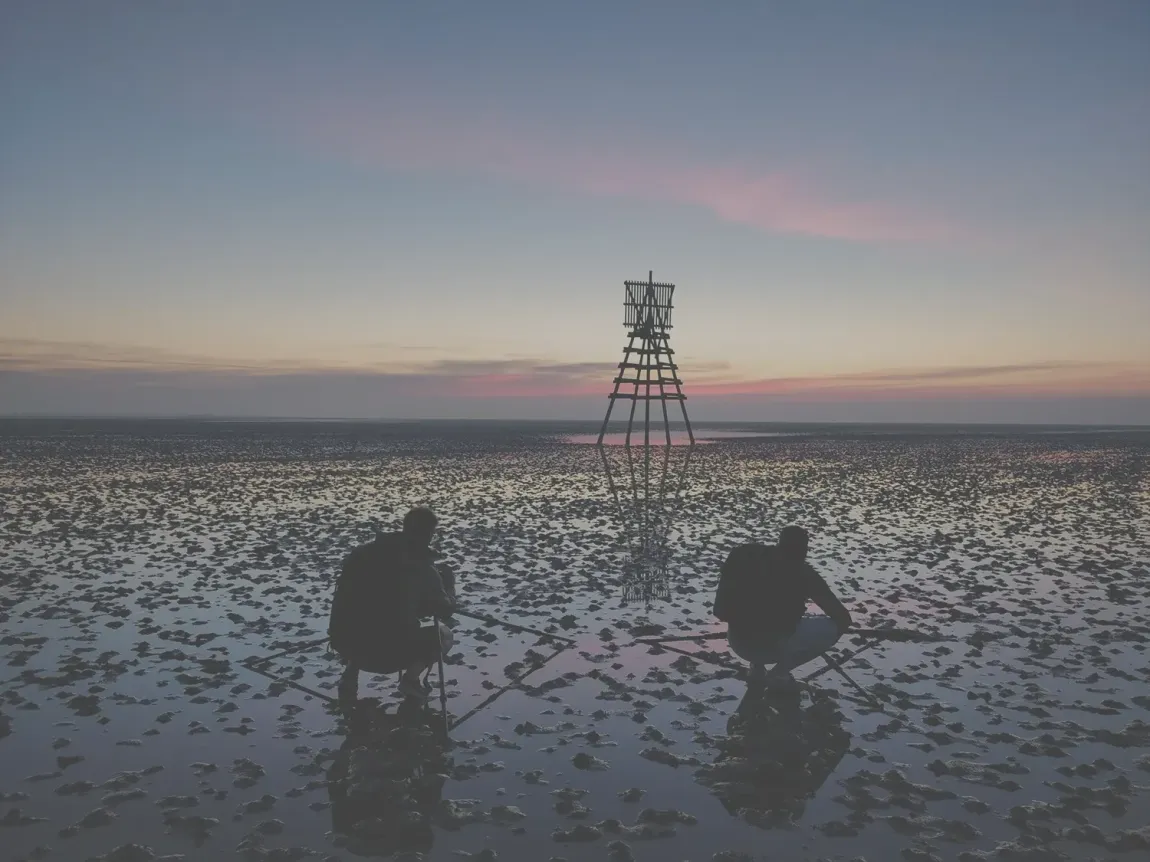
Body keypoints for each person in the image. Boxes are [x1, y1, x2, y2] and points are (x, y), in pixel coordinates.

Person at [329, 507, 456, 705]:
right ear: (430, 534)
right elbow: (444, 610)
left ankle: (350, 674)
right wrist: (448, 585)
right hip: (386, 655)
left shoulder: (361, 553)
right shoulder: (422, 565)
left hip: (346, 644)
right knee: (444, 635)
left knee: (363, 615)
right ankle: (410, 681)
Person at [714, 525, 853, 690]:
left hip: (738, 643)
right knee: (834, 626)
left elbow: (720, 611)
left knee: (758, 617)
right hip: (772, 649)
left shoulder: (744, 555)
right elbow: (843, 619)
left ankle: (756, 670)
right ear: (804, 550)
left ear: (778, 541)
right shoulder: (804, 573)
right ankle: (779, 674)